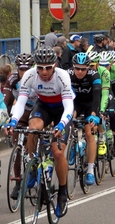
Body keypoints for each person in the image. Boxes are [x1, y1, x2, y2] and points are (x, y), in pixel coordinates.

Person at [4, 46, 74, 218]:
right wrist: (13, 120)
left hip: (61, 111)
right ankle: (33, 166)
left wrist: (61, 124)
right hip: (43, 106)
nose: (43, 72)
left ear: (55, 65)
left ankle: (63, 193)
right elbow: (20, 102)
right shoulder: (30, 74)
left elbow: (69, 107)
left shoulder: (62, 76)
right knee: (32, 128)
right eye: (40, 67)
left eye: (48, 67)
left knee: (58, 153)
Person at [3, 54, 37, 199]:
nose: (23, 72)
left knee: (33, 133)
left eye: (26, 69)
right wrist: (4, 118)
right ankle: (18, 183)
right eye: (21, 69)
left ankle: (34, 165)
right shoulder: (13, 79)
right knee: (17, 145)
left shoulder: (37, 77)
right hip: (22, 111)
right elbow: (6, 101)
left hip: (37, 110)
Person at [68, 53, 101, 185]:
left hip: (90, 105)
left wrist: (94, 113)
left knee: (89, 133)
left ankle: (90, 171)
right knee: (69, 120)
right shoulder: (68, 74)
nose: (80, 71)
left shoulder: (94, 75)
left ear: (88, 68)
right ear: (73, 67)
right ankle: (72, 145)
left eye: (83, 69)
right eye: (77, 68)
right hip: (75, 103)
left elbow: (97, 96)